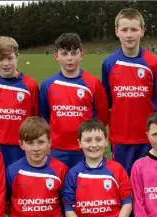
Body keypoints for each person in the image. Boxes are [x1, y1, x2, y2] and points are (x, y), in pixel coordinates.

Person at [101, 8, 157, 175]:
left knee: (147, 183)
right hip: (120, 137)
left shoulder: (153, 63)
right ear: (117, 32)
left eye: (134, 29)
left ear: (142, 31)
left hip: (147, 136)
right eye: (124, 29)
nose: (129, 35)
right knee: (123, 183)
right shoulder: (109, 63)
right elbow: (106, 102)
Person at [39, 33, 109, 169]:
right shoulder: (48, 85)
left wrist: (90, 139)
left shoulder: (93, 83)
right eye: (64, 54)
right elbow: (44, 117)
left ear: (81, 55)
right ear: (56, 56)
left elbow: (102, 117)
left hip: (86, 149)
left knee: (85, 187)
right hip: (57, 149)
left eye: (74, 53)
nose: (69, 58)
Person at [0, 36, 39, 168]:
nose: (5, 64)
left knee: (18, 185)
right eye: (0, 59)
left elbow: (34, 117)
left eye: (10, 58)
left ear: (17, 57)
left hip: (20, 147)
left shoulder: (30, 85)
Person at [62, 119, 132, 217]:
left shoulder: (117, 169)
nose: (94, 145)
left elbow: (127, 203)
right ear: (79, 143)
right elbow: (68, 209)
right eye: (88, 140)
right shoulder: (73, 174)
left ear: (106, 141)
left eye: (98, 139)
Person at [6, 116, 69, 217]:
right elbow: (5, 203)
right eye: (30, 143)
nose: (36, 148)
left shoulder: (61, 170)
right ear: (21, 144)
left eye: (41, 142)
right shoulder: (12, 171)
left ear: (49, 142)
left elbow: (67, 205)